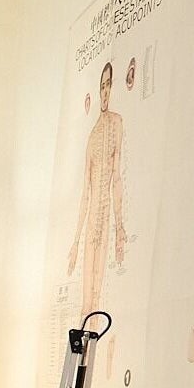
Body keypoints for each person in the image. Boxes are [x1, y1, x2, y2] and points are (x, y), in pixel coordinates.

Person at [67, 62, 127, 320]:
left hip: (105, 222)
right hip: (92, 221)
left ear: (112, 88)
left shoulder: (116, 123)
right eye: (101, 86)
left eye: (108, 85)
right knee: (86, 303)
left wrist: (120, 226)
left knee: (98, 299)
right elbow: (85, 193)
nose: (104, 91)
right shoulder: (92, 137)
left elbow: (116, 177)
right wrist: (76, 241)